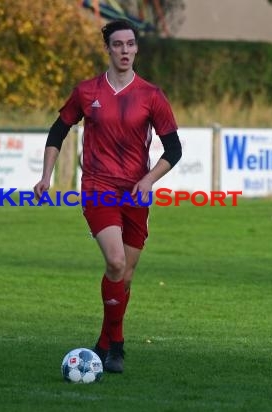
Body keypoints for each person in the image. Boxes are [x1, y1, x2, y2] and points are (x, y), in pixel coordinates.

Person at [33, 19, 182, 373]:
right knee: (115, 262)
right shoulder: (87, 92)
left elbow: (173, 149)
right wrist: (45, 175)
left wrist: (148, 180)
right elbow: (58, 130)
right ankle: (116, 346)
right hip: (98, 188)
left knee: (126, 276)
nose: (125, 51)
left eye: (130, 44)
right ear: (108, 48)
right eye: (118, 45)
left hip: (135, 193)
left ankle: (106, 343)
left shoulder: (151, 95)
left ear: (136, 48)